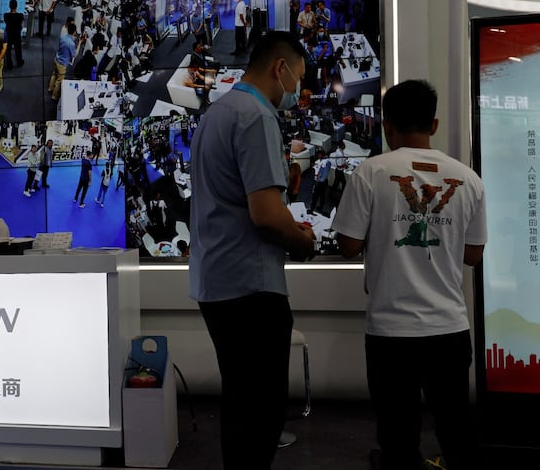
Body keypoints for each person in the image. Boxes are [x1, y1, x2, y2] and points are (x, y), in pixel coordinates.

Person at [332, 79, 487, 470]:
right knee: (457, 432)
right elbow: (473, 255)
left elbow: (348, 246)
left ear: (386, 126)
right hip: (449, 328)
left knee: (398, 439)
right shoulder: (468, 179)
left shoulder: (370, 172)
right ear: (433, 126)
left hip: (390, 332)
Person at [189, 30, 316, 470]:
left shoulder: (216, 113)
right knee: (260, 414)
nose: (297, 90)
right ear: (280, 69)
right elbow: (265, 214)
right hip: (251, 287)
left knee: (240, 406)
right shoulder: (257, 115)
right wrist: (303, 240)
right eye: (297, 78)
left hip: (215, 280)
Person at [48, 22, 78, 101]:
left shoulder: (63, 36)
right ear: (74, 32)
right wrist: (80, 42)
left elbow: (68, 40)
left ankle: (50, 88)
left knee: (54, 74)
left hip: (57, 59)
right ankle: (54, 96)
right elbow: (74, 54)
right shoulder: (71, 44)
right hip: (62, 64)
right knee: (59, 80)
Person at [3, 0, 25, 69]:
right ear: (16, 6)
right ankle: (19, 62)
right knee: (18, 49)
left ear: (9, 6)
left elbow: (7, 23)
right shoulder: (20, 16)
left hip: (9, 34)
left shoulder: (6, 15)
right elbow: (20, 24)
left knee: (8, 50)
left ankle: (9, 64)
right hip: (17, 34)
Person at [309, 148, 331, 215]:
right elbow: (315, 169)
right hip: (317, 180)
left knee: (318, 196)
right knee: (319, 195)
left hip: (321, 182)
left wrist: (318, 180)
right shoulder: (318, 161)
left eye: (319, 155)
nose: (318, 156)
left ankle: (313, 209)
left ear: (322, 155)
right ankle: (315, 208)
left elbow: (324, 175)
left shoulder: (327, 162)